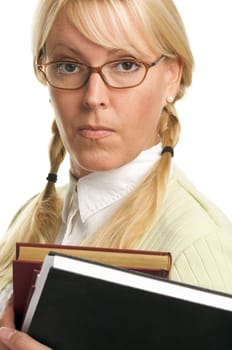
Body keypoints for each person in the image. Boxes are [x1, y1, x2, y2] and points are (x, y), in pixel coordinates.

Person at [0, 0, 232, 348]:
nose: (94, 97)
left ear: (173, 75)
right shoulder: (32, 216)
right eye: (68, 65)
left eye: (126, 64)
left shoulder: (197, 246)